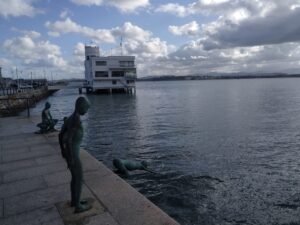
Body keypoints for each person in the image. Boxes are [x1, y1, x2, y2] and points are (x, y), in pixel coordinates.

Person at [59, 97, 91, 213]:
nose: (86, 111)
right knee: (79, 178)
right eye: (86, 108)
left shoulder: (69, 118)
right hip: (73, 154)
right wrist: (71, 158)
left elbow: (60, 135)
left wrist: (63, 151)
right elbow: (68, 140)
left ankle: (74, 200)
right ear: (81, 106)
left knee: (74, 178)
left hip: (69, 153)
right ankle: (78, 206)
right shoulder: (76, 120)